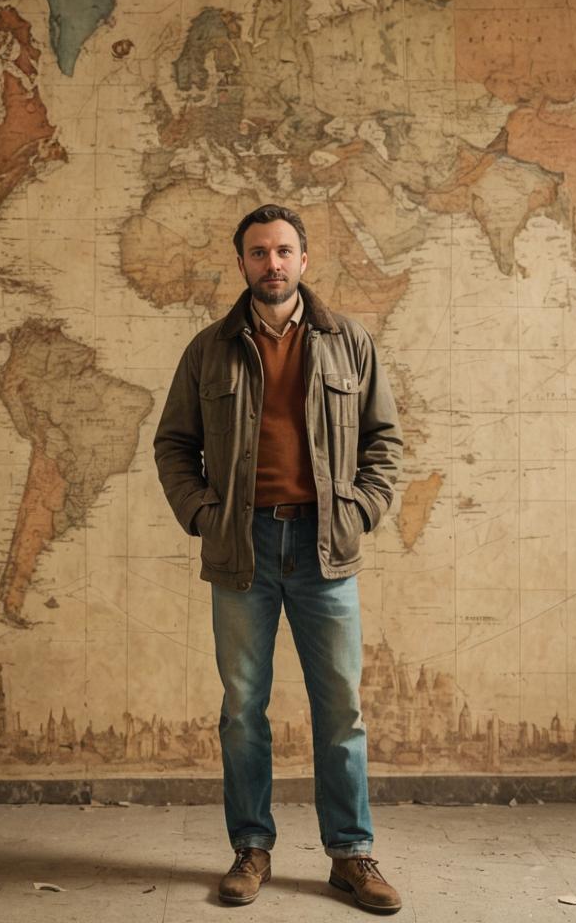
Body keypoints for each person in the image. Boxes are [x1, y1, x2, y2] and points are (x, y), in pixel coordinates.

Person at [153, 203, 404, 913]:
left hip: (326, 549)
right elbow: (174, 444)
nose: (273, 263)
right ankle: (251, 848)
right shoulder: (209, 350)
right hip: (245, 551)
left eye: (284, 250)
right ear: (242, 263)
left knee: (342, 711)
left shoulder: (348, 342)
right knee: (242, 709)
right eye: (259, 252)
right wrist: (205, 515)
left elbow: (384, 442)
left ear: (303, 260)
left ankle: (351, 855)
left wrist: (357, 511)